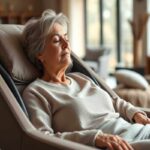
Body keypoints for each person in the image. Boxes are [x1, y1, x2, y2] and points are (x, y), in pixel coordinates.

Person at [22, 9, 150, 150]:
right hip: (123, 144)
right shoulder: (37, 92)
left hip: (138, 130)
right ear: (39, 54)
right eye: (57, 40)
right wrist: (95, 138)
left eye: (66, 37)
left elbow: (114, 102)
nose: (66, 44)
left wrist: (135, 113)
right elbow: (43, 138)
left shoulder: (80, 78)